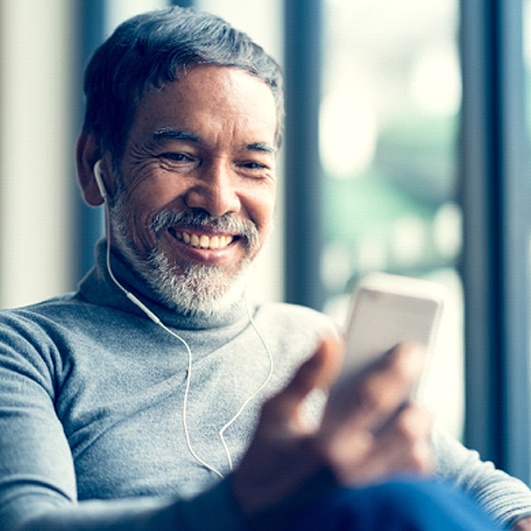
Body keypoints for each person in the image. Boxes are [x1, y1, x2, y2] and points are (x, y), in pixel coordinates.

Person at [0, 6, 530, 530]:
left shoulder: (314, 343)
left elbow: (489, 494)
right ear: (98, 168)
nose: (219, 200)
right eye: (180, 156)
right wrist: (241, 502)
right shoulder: (28, 351)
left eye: (252, 165)